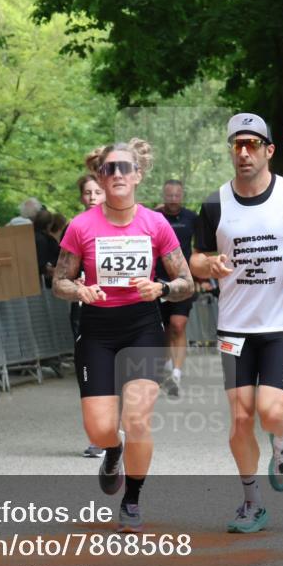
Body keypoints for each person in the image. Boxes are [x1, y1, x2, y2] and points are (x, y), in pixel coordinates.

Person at [191, 113, 283, 533]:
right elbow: (195, 259)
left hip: (277, 327)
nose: (243, 153)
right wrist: (209, 263)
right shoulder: (214, 204)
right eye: (237, 145)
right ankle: (251, 503)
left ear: (268, 150)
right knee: (239, 420)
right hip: (233, 329)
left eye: (252, 145)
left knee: (271, 413)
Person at [53, 138, 193, 532]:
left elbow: (186, 282)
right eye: (109, 168)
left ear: (138, 176)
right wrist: (78, 290)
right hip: (96, 329)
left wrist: (161, 289)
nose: (116, 174)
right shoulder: (81, 226)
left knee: (137, 418)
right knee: (99, 427)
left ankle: (131, 499)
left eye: (124, 168)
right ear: (100, 175)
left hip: (142, 328)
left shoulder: (155, 223)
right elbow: (58, 282)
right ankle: (111, 451)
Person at [70, 174, 106, 458]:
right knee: (92, 371)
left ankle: (113, 430)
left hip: (122, 308)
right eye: (88, 193)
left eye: (97, 192)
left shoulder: (122, 224)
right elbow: (63, 275)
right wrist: (75, 285)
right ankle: (97, 436)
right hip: (85, 306)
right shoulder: (76, 227)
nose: (92, 197)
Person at [156, 179, 199, 397]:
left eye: (177, 195)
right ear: (164, 196)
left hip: (183, 281)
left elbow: (201, 247)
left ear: (182, 196)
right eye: (169, 195)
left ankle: (176, 372)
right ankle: (165, 365)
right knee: (164, 328)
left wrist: (201, 273)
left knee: (178, 325)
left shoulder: (192, 218)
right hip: (158, 282)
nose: (173, 199)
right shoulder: (155, 217)